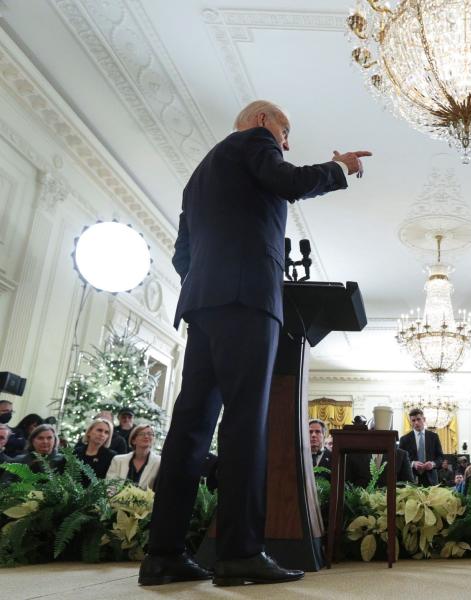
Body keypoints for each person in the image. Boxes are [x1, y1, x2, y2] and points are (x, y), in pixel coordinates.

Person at [140, 99, 370, 588]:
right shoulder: (254, 141)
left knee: (190, 430)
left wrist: (211, 286)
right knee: (246, 424)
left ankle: (163, 555)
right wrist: (339, 167)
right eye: (286, 135)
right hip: (247, 303)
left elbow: (184, 254)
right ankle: (241, 554)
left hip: (205, 306)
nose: (285, 146)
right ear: (265, 123)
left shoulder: (198, 178)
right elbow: (287, 182)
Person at [2, 424, 66, 483]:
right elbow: (4, 484)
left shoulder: (64, 461)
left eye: (49, 438)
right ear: (32, 441)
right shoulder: (18, 461)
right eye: (40, 438)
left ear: (55, 440)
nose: (45, 441)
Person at [106, 424, 162, 489]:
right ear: (133, 440)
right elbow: (109, 486)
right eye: (141, 434)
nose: (146, 436)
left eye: (150, 434)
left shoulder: (159, 462)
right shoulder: (118, 460)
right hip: (117, 498)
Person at [398, 409, 444, 486]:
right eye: (413, 420)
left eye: (418, 419)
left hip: (431, 479)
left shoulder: (434, 437)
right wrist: (413, 464)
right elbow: (399, 460)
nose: (416, 422)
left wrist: (432, 464)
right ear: (411, 422)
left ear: (424, 419)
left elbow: (440, 457)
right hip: (411, 479)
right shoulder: (404, 439)